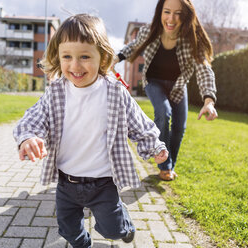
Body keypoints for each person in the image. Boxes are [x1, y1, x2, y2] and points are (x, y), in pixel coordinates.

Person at [13, 14, 169, 248]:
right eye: (67, 57)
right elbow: (33, 117)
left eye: (85, 56)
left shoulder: (115, 93)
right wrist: (28, 137)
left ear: (103, 57)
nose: (75, 65)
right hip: (67, 182)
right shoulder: (56, 92)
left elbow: (139, 123)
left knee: (112, 230)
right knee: (68, 229)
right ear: (58, 56)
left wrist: (154, 147)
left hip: (103, 183)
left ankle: (123, 223)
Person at [113, 0, 218, 181]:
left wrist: (208, 100)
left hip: (178, 85)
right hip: (154, 82)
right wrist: (116, 58)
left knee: (179, 127)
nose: (171, 18)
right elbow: (133, 47)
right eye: (167, 12)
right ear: (160, 12)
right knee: (163, 112)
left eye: (178, 13)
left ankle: (170, 166)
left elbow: (204, 69)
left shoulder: (192, 39)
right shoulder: (149, 31)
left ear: (186, 16)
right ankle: (164, 166)